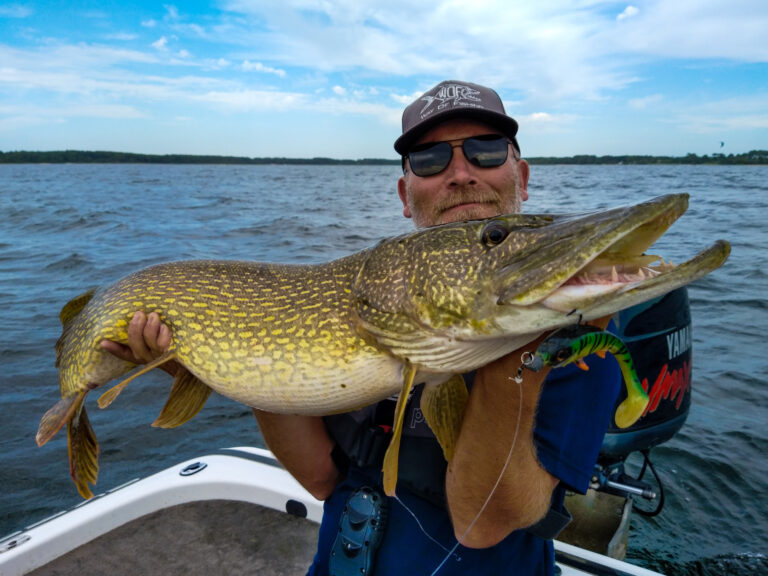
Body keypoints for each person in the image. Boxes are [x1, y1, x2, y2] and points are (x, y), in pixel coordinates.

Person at [102, 80, 623, 576]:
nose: (460, 172)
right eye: (430, 158)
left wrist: (518, 360)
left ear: (523, 177)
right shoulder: (381, 294)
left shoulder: (575, 331)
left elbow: (483, 522)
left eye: (486, 149)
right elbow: (321, 476)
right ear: (405, 193)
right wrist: (234, 361)